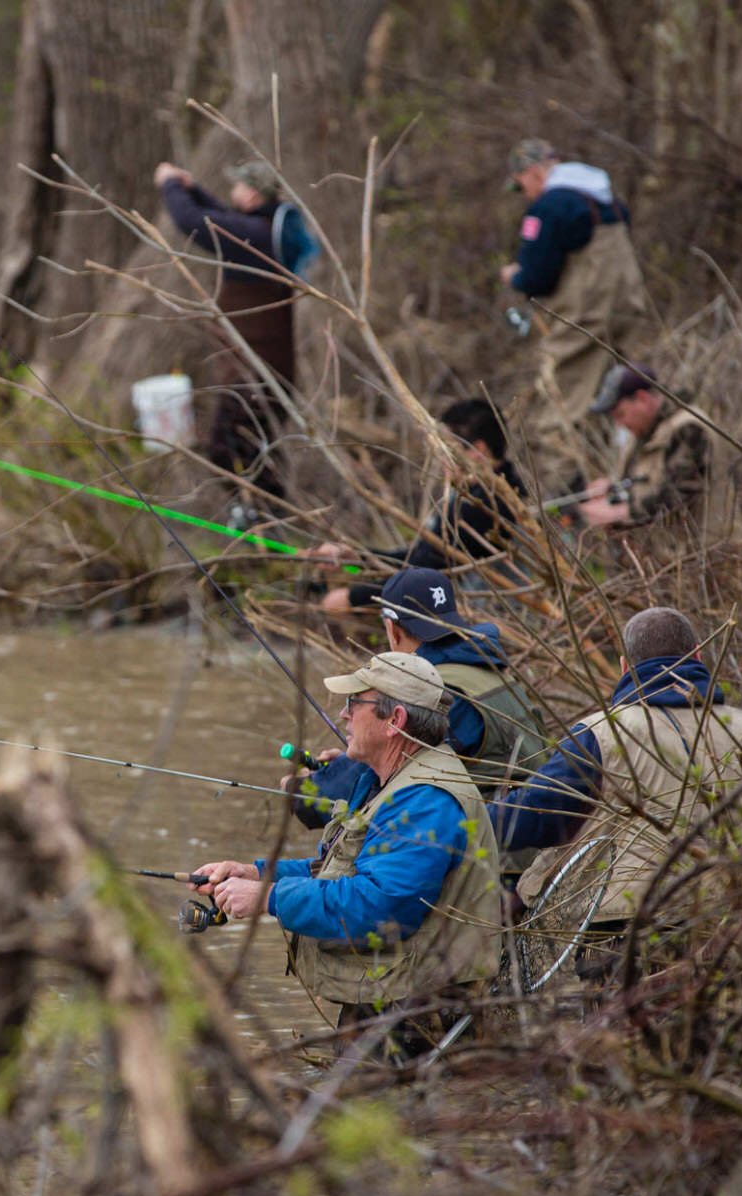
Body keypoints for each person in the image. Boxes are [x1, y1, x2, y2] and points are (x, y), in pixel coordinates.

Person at [193, 652, 503, 1054]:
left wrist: (270, 897)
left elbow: (379, 906)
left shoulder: (425, 801)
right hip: (394, 1001)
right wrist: (257, 874)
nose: (343, 715)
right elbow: (344, 871)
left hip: (420, 1018)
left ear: (394, 721)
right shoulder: (386, 782)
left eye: (354, 704)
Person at [493, 607, 742, 959]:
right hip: (736, 924)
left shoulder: (601, 735)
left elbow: (534, 816)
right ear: (698, 656)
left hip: (627, 933)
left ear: (624, 667)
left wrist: (473, 819)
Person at [291, 568, 547, 845]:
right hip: (533, 835)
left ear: (393, 629)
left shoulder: (435, 692)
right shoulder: (485, 668)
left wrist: (304, 790)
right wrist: (357, 756)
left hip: (500, 855)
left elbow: (332, 797)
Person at [155, 157, 316, 507]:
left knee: (227, 450)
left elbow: (193, 222)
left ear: (253, 194)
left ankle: (266, 517)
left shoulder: (254, 236)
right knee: (254, 451)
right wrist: (193, 189)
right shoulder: (266, 231)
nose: (233, 191)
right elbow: (222, 218)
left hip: (253, 375)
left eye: (239, 185)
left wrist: (169, 184)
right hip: (263, 369)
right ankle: (266, 517)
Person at [498, 139, 648, 497]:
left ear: (532, 172)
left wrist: (515, 276)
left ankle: (563, 503)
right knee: (611, 407)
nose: (524, 193)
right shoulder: (607, 199)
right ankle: (618, 484)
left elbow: (537, 276)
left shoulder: (548, 208)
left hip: (582, 322)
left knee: (560, 412)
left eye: (521, 184)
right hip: (625, 317)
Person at [310, 398, 530, 605]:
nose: (440, 458)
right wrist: (356, 556)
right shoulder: (476, 495)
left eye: (446, 447)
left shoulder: (488, 506)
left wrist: (352, 598)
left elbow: (426, 575)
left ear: (477, 450)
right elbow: (419, 558)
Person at [572, 365, 722, 536]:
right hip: (666, 550)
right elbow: (646, 483)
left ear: (642, 398)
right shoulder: (644, 431)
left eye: (620, 414)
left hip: (708, 548)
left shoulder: (689, 429)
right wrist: (612, 488)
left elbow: (681, 494)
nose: (620, 424)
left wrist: (619, 513)